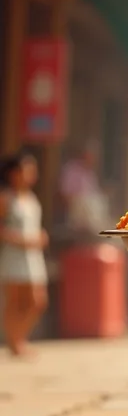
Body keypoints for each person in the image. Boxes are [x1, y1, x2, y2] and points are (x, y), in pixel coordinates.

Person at [0, 151, 48, 357]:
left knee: (37, 301)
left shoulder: (31, 198)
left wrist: (40, 236)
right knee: (15, 302)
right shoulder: (6, 198)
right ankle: (15, 342)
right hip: (14, 256)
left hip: (33, 256)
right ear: (14, 173)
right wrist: (20, 240)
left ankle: (18, 338)